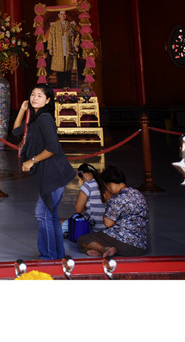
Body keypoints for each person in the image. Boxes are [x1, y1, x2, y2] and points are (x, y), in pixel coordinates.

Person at [12, 84, 77, 259]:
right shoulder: (35, 117)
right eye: (33, 94)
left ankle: (49, 256)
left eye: (39, 96)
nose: (34, 98)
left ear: (48, 100)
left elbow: (53, 148)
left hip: (54, 172)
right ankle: (57, 255)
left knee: (43, 213)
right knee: (50, 214)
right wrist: (22, 110)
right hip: (49, 173)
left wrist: (32, 161)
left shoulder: (44, 118)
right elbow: (16, 130)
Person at [77, 166, 149, 258]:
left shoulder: (117, 199)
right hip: (140, 246)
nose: (106, 190)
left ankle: (104, 249)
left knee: (83, 239)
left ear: (110, 184)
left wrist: (108, 201)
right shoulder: (138, 193)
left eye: (106, 187)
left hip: (125, 245)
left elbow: (108, 223)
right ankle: (103, 250)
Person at [47, 9, 79, 85]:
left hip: (68, 49)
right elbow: (50, 37)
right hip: (58, 49)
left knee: (68, 67)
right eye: (61, 14)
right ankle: (60, 84)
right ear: (58, 15)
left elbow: (77, 35)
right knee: (59, 68)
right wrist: (50, 48)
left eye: (64, 14)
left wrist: (76, 44)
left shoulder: (71, 24)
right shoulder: (54, 25)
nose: (63, 16)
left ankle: (68, 85)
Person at [72, 163, 107, 231]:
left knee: (62, 222)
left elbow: (78, 209)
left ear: (83, 174)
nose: (82, 180)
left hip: (93, 228)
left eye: (81, 178)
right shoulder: (104, 183)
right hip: (107, 227)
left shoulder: (87, 185)